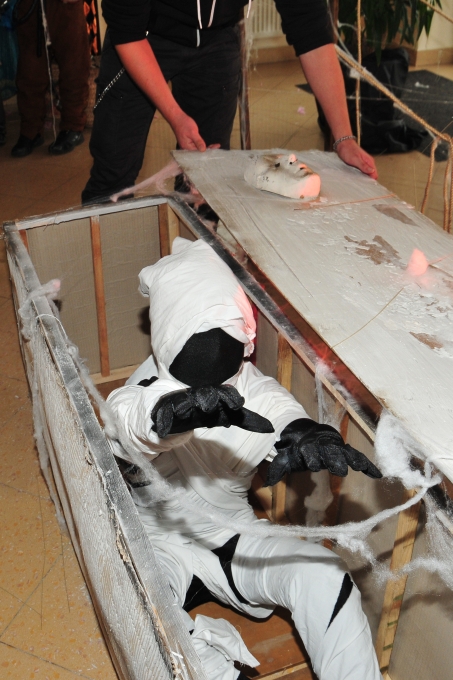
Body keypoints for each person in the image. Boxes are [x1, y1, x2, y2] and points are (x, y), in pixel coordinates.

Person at [107, 237, 383, 680]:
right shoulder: (140, 393)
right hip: (155, 547)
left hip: (232, 536)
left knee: (323, 573)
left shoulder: (250, 386)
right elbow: (130, 421)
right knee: (142, 615)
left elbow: (282, 415)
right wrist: (169, 417)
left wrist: (309, 435)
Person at [82, 0, 378, 204]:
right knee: (113, 173)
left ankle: (198, 271)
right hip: (142, 37)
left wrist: (344, 138)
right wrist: (175, 115)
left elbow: (310, 30)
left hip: (217, 41)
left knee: (205, 179)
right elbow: (127, 32)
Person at [11, 0, 90, 158]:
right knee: (29, 71)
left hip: (66, 6)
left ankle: (73, 126)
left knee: (73, 67)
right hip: (30, 6)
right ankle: (31, 130)